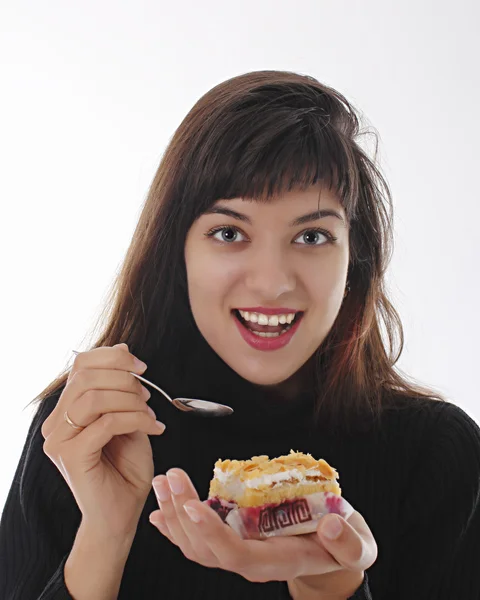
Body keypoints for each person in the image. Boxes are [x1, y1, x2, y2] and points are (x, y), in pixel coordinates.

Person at [1, 70, 479, 600]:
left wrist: (331, 590)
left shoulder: (436, 453)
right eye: (229, 233)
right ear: (175, 251)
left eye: (312, 235)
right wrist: (105, 534)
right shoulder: (89, 430)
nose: (273, 283)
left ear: (356, 259)